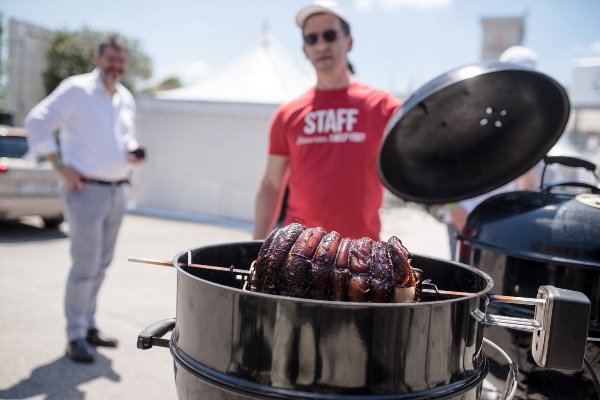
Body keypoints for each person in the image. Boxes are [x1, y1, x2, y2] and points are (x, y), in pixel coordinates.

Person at [24, 34, 145, 363]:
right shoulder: (77, 89)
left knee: (101, 265)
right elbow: (36, 121)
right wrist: (60, 166)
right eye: (111, 59)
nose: (116, 66)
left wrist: (131, 151)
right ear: (98, 58)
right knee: (85, 266)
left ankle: (89, 325)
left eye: (121, 61)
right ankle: (75, 334)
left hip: (118, 190)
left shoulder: (125, 97)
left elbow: (124, 136)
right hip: (85, 191)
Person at [253, 0, 401, 241]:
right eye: (312, 39)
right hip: (299, 249)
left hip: (359, 252)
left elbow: (419, 162)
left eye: (330, 35)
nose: (321, 45)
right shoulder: (287, 114)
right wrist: (255, 246)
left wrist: (451, 206)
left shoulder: (383, 107)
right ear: (304, 49)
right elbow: (271, 183)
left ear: (348, 42)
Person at [443, 45, 561, 260]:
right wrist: (453, 209)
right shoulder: (478, 116)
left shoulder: (539, 130)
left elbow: (532, 192)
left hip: (507, 232)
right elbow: (447, 166)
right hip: (464, 222)